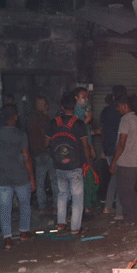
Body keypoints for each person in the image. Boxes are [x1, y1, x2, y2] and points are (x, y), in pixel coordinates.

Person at [0, 105, 36, 249]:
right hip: (21, 176)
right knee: (24, 205)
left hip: (3, 176)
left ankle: (7, 238)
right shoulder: (20, 134)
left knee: (5, 208)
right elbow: (26, 157)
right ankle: (24, 232)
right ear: (14, 117)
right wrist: (32, 177)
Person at [47, 92, 90, 234]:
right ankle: (75, 228)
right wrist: (87, 162)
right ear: (75, 106)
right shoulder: (78, 123)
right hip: (75, 165)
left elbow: (46, 143)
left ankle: (61, 223)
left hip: (59, 165)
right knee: (77, 197)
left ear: (61, 106)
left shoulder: (54, 123)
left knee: (62, 194)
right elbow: (85, 145)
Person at [109, 95, 137, 224]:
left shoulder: (125, 120)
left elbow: (121, 143)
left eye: (118, 106)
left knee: (124, 192)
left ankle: (130, 219)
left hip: (125, 161)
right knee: (130, 191)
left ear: (124, 106)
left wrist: (113, 162)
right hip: (133, 161)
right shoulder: (136, 119)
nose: (117, 109)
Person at [27, 95, 58, 212]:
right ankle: (56, 204)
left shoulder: (30, 119)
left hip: (37, 154)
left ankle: (42, 205)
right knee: (54, 180)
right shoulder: (46, 120)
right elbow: (49, 137)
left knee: (39, 181)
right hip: (48, 153)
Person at [101, 86, 127, 217]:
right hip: (118, 149)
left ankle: (108, 205)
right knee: (119, 178)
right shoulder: (121, 112)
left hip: (108, 148)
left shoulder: (105, 111)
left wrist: (103, 149)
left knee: (114, 177)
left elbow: (102, 131)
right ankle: (118, 210)